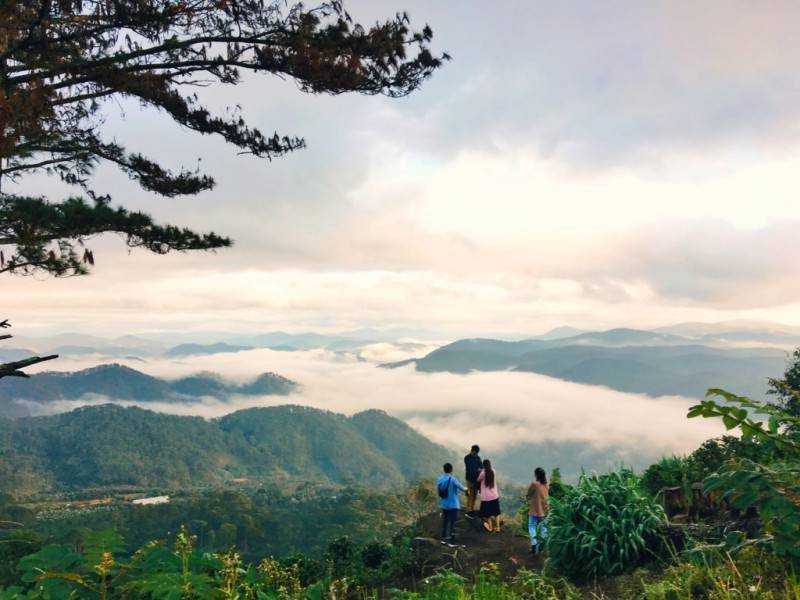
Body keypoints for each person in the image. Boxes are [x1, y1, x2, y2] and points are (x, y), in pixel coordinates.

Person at [437, 463, 466, 545]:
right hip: (453, 505)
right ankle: (452, 542)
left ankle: (443, 539)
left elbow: (438, 491)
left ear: (444, 469)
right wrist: (467, 489)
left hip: (444, 504)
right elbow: (462, 489)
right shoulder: (453, 479)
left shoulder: (440, 479)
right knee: (452, 523)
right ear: (451, 470)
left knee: (445, 522)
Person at [527, 467, 549, 554]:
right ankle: (542, 546)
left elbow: (529, 494)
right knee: (544, 528)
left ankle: (534, 544)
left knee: (532, 526)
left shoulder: (534, 484)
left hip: (535, 510)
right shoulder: (547, 484)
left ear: (536, 475)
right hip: (545, 510)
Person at [477, 459, 502, 532]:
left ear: (483, 465)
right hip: (494, 495)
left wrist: (480, 471)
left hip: (486, 497)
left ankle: (490, 528)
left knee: (487, 514)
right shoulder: (493, 471)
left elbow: (478, 480)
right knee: (496, 512)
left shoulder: (482, 473)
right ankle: (498, 528)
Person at [463, 444, 482, 517]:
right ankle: (468, 510)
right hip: (469, 480)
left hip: (476, 480)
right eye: (474, 453)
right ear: (472, 451)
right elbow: (471, 469)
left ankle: (472, 510)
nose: (475, 454)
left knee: (474, 496)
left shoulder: (478, 458)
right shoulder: (467, 458)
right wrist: (478, 470)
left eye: (476, 453)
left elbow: (482, 467)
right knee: (469, 495)